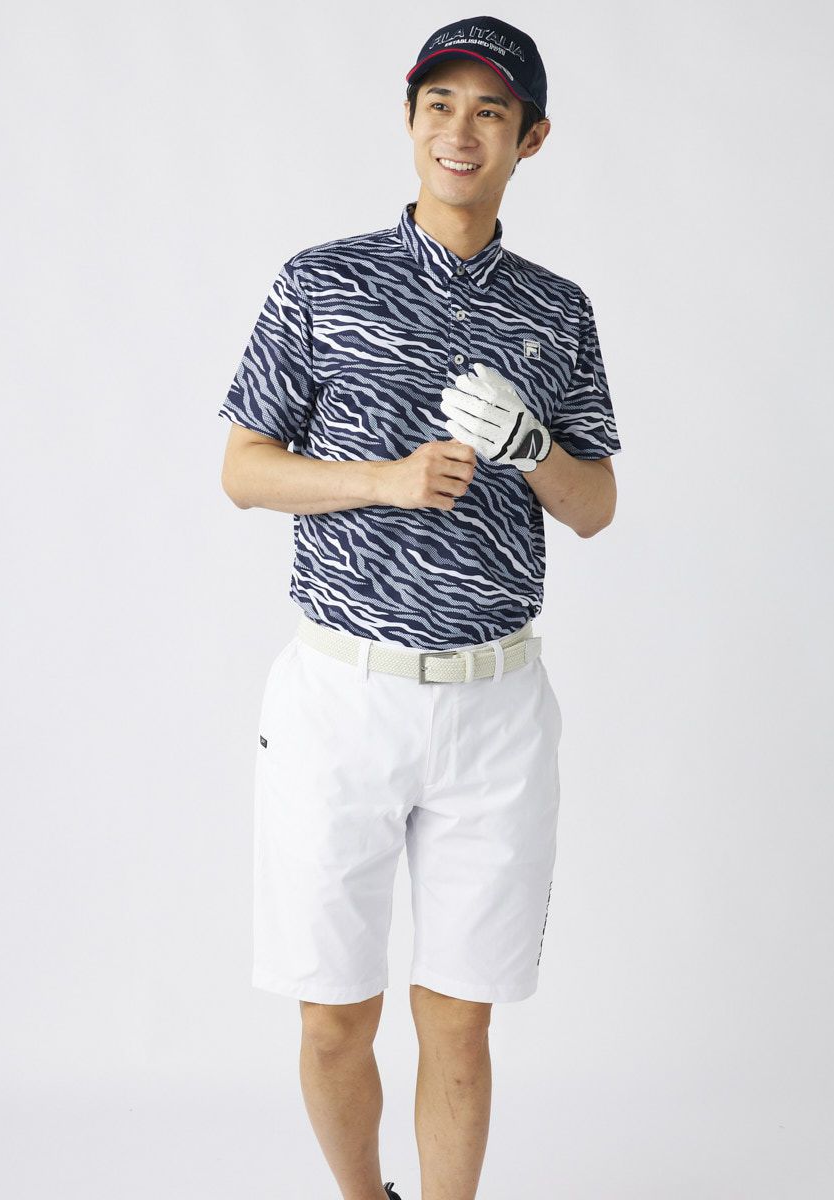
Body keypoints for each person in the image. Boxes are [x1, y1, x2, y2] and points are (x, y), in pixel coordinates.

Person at [217, 15, 622, 1200]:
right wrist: (381, 481)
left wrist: (535, 449)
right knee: (333, 1017)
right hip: (340, 696)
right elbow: (243, 470)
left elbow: (594, 506)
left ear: (529, 138)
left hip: (494, 708)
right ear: (408, 119)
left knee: (459, 1021)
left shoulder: (555, 311)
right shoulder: (321, 281)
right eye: (439, 104)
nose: (460, 131)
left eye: (490, 111)